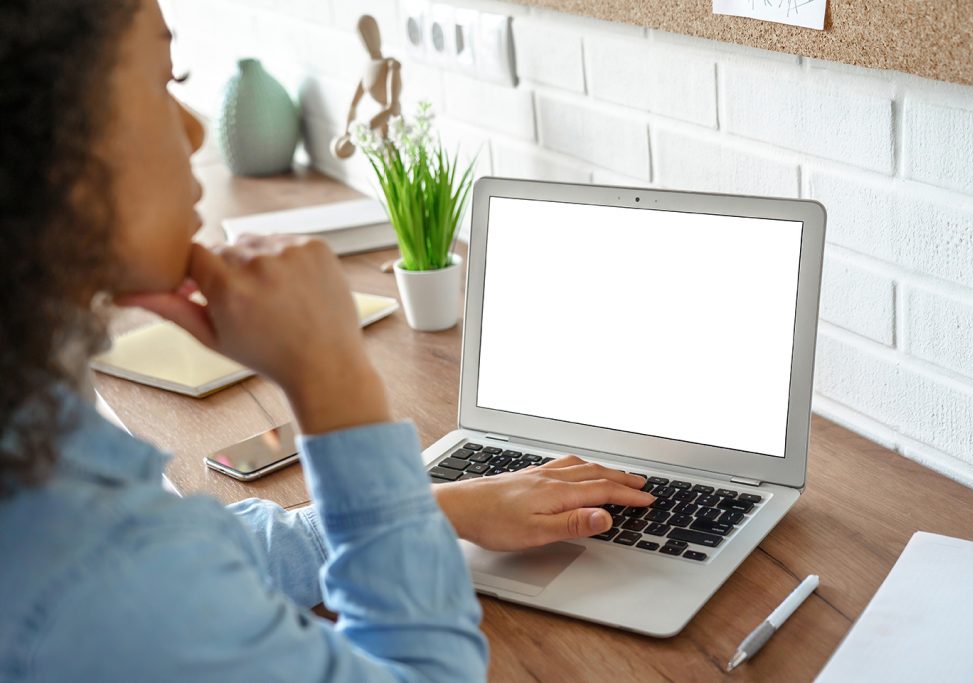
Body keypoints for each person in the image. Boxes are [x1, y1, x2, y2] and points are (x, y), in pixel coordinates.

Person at [0, 1, 655, 680]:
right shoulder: (88, 574)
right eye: (165, 81)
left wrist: (438, 505)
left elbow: (195, 553)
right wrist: (332, 380)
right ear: (39, 139)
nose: (194, 131)